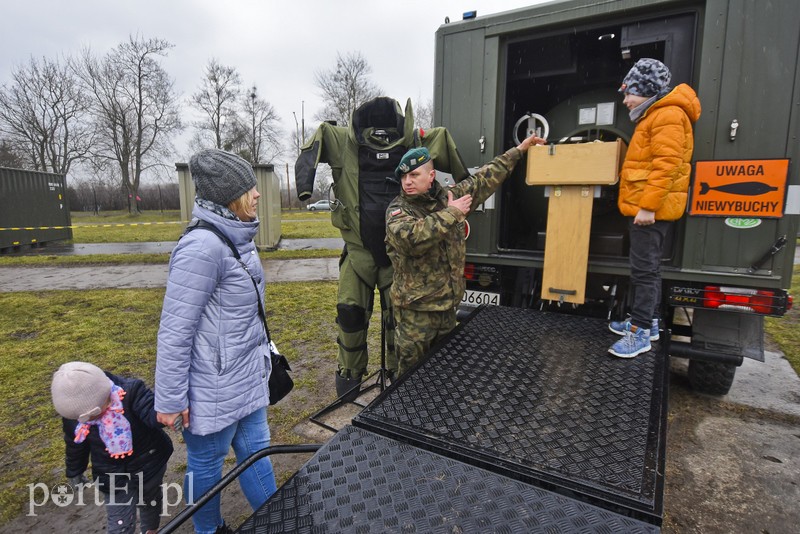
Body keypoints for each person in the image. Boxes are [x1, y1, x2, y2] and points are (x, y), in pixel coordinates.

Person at [295, 97, 469, 400]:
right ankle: (349, 379)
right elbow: (315, 144)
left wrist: (463, 179)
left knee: (397, 322)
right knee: (350, 315)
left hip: (398, 257)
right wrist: (303, 184)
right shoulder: (341, 140)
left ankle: (396, 382)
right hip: (358, 253)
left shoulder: (415, 139)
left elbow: (443, 141)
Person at [155, 149, 277, 534]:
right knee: (206, 467)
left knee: (259, 456)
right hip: (211, 385)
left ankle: (278, 520)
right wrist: (172, 399)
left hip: (246, 374)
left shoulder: (238, 236)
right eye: (249, 188)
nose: (257, 194)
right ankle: (208, 530)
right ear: (230, 196)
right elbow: (175, 331)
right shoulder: (201, 248)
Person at [386, 133, 545, 376]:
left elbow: (486, 178)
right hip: (416, 313)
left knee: (445, 373)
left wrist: (520, 150)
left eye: (414, 174)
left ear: (431, 176)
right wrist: (452, 213)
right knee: (410, 377)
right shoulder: (399, 209)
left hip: (448, 310)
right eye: (404, 176)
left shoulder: (449, 197)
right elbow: (411, 239)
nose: (407, 181)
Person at [608, 58, 701, 358]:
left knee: (644, 272)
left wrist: (647, 207)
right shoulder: (656, 114)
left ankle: (640, 334)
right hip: (649, 208)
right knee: (647, 269)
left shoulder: (667, 115)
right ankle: (650, 324)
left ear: (646, 89)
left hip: (651, 211)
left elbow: (667, 166)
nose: (625, 100)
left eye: (629, 93)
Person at [51, 361, 173, 534]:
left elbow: (151, 411)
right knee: (119, 522)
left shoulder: (130, 392)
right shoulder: (76, 418)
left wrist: (165, 415)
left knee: (150, 501)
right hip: (111, 474)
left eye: (104, 404)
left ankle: (151, 529)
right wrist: (75, 470)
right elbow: (75, 445)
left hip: (149, 463)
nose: (104, 411)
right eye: (92, 416)